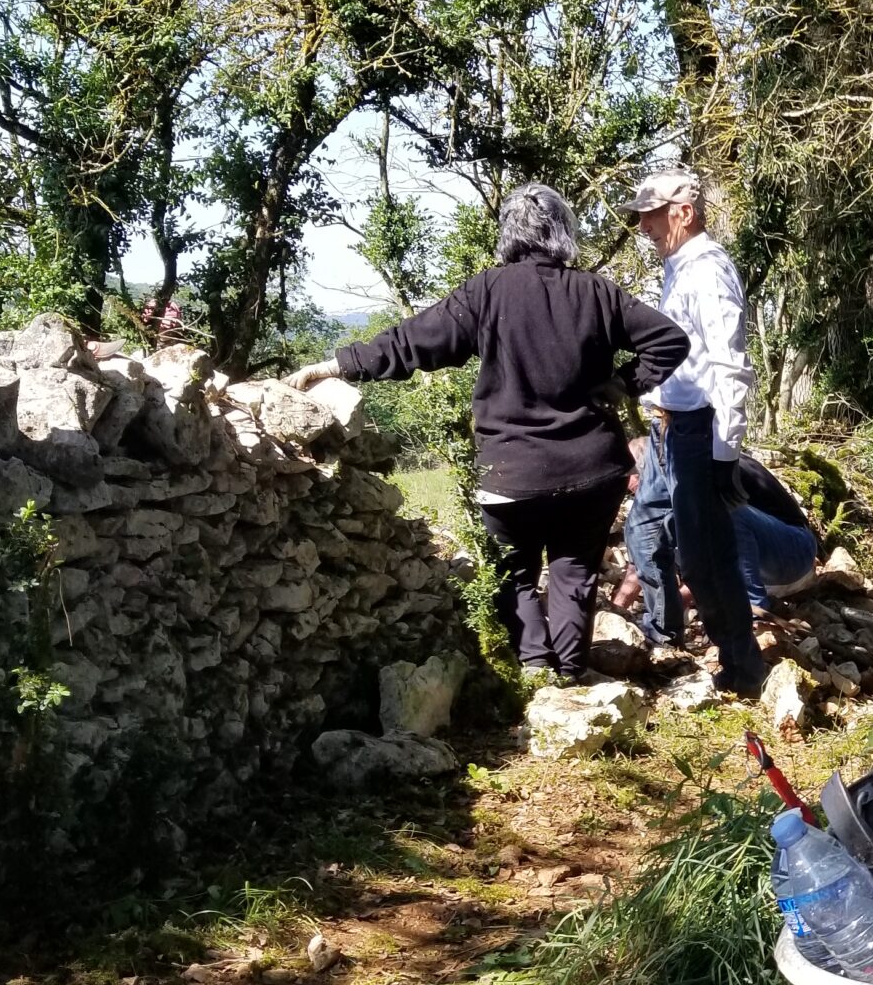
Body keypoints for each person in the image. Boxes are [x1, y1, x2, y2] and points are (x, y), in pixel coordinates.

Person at [286, 183, 690, 679]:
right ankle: (568, 673)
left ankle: (534, 668)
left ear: (509, 234)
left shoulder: (487, 291)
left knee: (513, 575)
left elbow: (411, 343)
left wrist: (334, 366)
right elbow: (669, 339)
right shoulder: (596, 292)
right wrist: (623, 384)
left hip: (511, 472)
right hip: (591, 468)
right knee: (575, 570)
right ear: (562, 232)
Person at [626, 158, 769, 695]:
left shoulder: (707, 270)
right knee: (644, 531)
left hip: (697, 430)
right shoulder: (679, 267)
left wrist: (724, 453)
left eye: (653, 214)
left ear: (683, 213)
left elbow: (730, 365)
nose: (644, 226)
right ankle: (664, 638)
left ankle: (742, 668)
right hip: (667, 428)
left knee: (705, 556)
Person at [731, 453, 820, 617]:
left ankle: (755, 608)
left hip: (796, 553)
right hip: (770, 565)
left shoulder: (722, 465)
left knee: (731, 512)